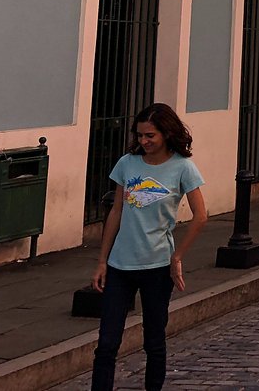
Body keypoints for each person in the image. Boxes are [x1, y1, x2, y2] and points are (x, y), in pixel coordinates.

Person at [91, 103, 207, 391]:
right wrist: (102, 260)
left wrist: (177, 256)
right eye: (140, 135)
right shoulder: (127, 163)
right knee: (106, 343)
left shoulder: (183, 167)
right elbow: (116, 211)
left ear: (166, 134)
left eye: (150, 136)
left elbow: (201, 216)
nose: (143, 141)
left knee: (153, 341)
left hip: (157, 266)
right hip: (120, 266)